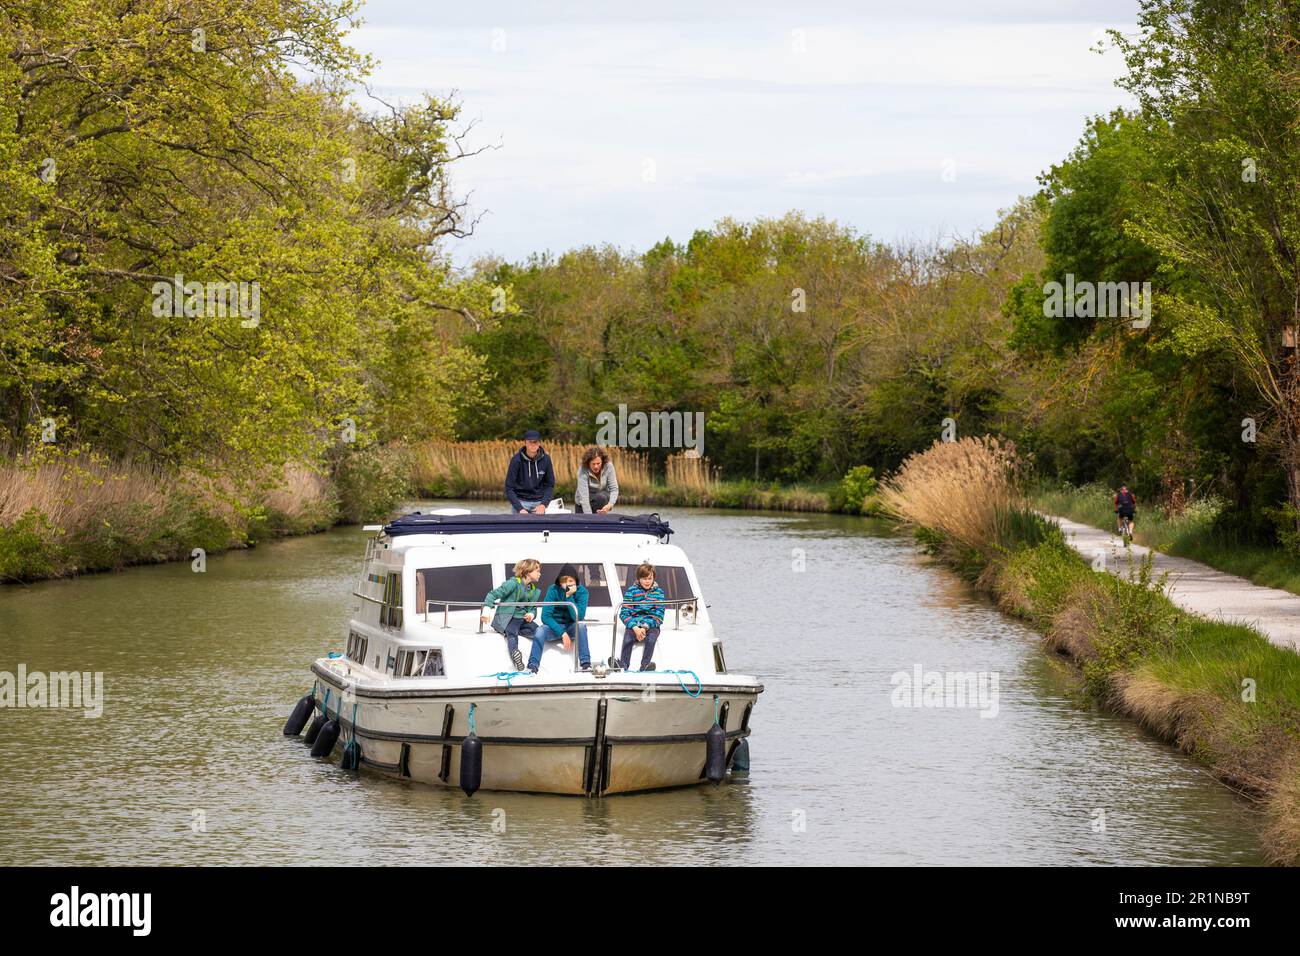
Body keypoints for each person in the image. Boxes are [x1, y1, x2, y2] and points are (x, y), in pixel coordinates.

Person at [481, 558, 542, 672]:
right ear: (528, 571)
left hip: (523, 620)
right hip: (509, 618)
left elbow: (533, 608)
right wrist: (486, 611)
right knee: (512, 633)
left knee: (539, 631)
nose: (540, 573)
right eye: (537, 570)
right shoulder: (513, 583)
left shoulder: (532, 589)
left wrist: (531, 614)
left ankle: (558, 637)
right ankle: (515, 654)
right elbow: (492, 594)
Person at [528, 563, 591, 673]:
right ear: (560, 581)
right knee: (540, 631)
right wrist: (562, 633)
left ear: (576, 581)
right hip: (554, 627)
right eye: (565, 581)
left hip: (571, 625)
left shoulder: (582, 592)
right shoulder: (553, 590)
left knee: (581, 626)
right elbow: (545, 616)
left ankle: (586, 664)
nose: (568, 584)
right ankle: (532, 666)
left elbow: (579, 617)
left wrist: (569, 597)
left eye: (571, 581)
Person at [617, 561, 665, 672]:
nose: (647, 581)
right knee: (628, 638)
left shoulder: (659, 593)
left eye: (649, 578)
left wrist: (645, 627)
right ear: (638, 579)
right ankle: (623, 665)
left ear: (653, 578)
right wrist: (634, 627)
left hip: (651, 624)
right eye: (644, 579)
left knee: (651, 639)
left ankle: (645, 666)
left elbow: (659, 615)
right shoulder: (631, 591)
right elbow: (624, 613)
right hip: (634, 624)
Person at [505, 431, 554, 515]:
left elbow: (550, 485)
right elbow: (509, 487)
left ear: (539, 443)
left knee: (540, 528)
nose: (533, 444)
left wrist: (543, 505)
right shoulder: (516, 460)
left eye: (535, 442)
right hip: (520, 502)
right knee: (519, 528)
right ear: (525, 443)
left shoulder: (546, 459)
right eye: (530, 442)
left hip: (539, 503)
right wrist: (520, 508)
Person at [574, 445, 618, 514]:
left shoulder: (609, 466)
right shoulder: (582, 469)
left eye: (598, 463)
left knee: (601, 497)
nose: (596, 466)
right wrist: (590, 519)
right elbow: (584, 497)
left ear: (602, 461)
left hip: (600, 499)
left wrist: (610, 505)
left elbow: (614, 489)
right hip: (582, 503)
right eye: (593, 464)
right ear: (588, 463)